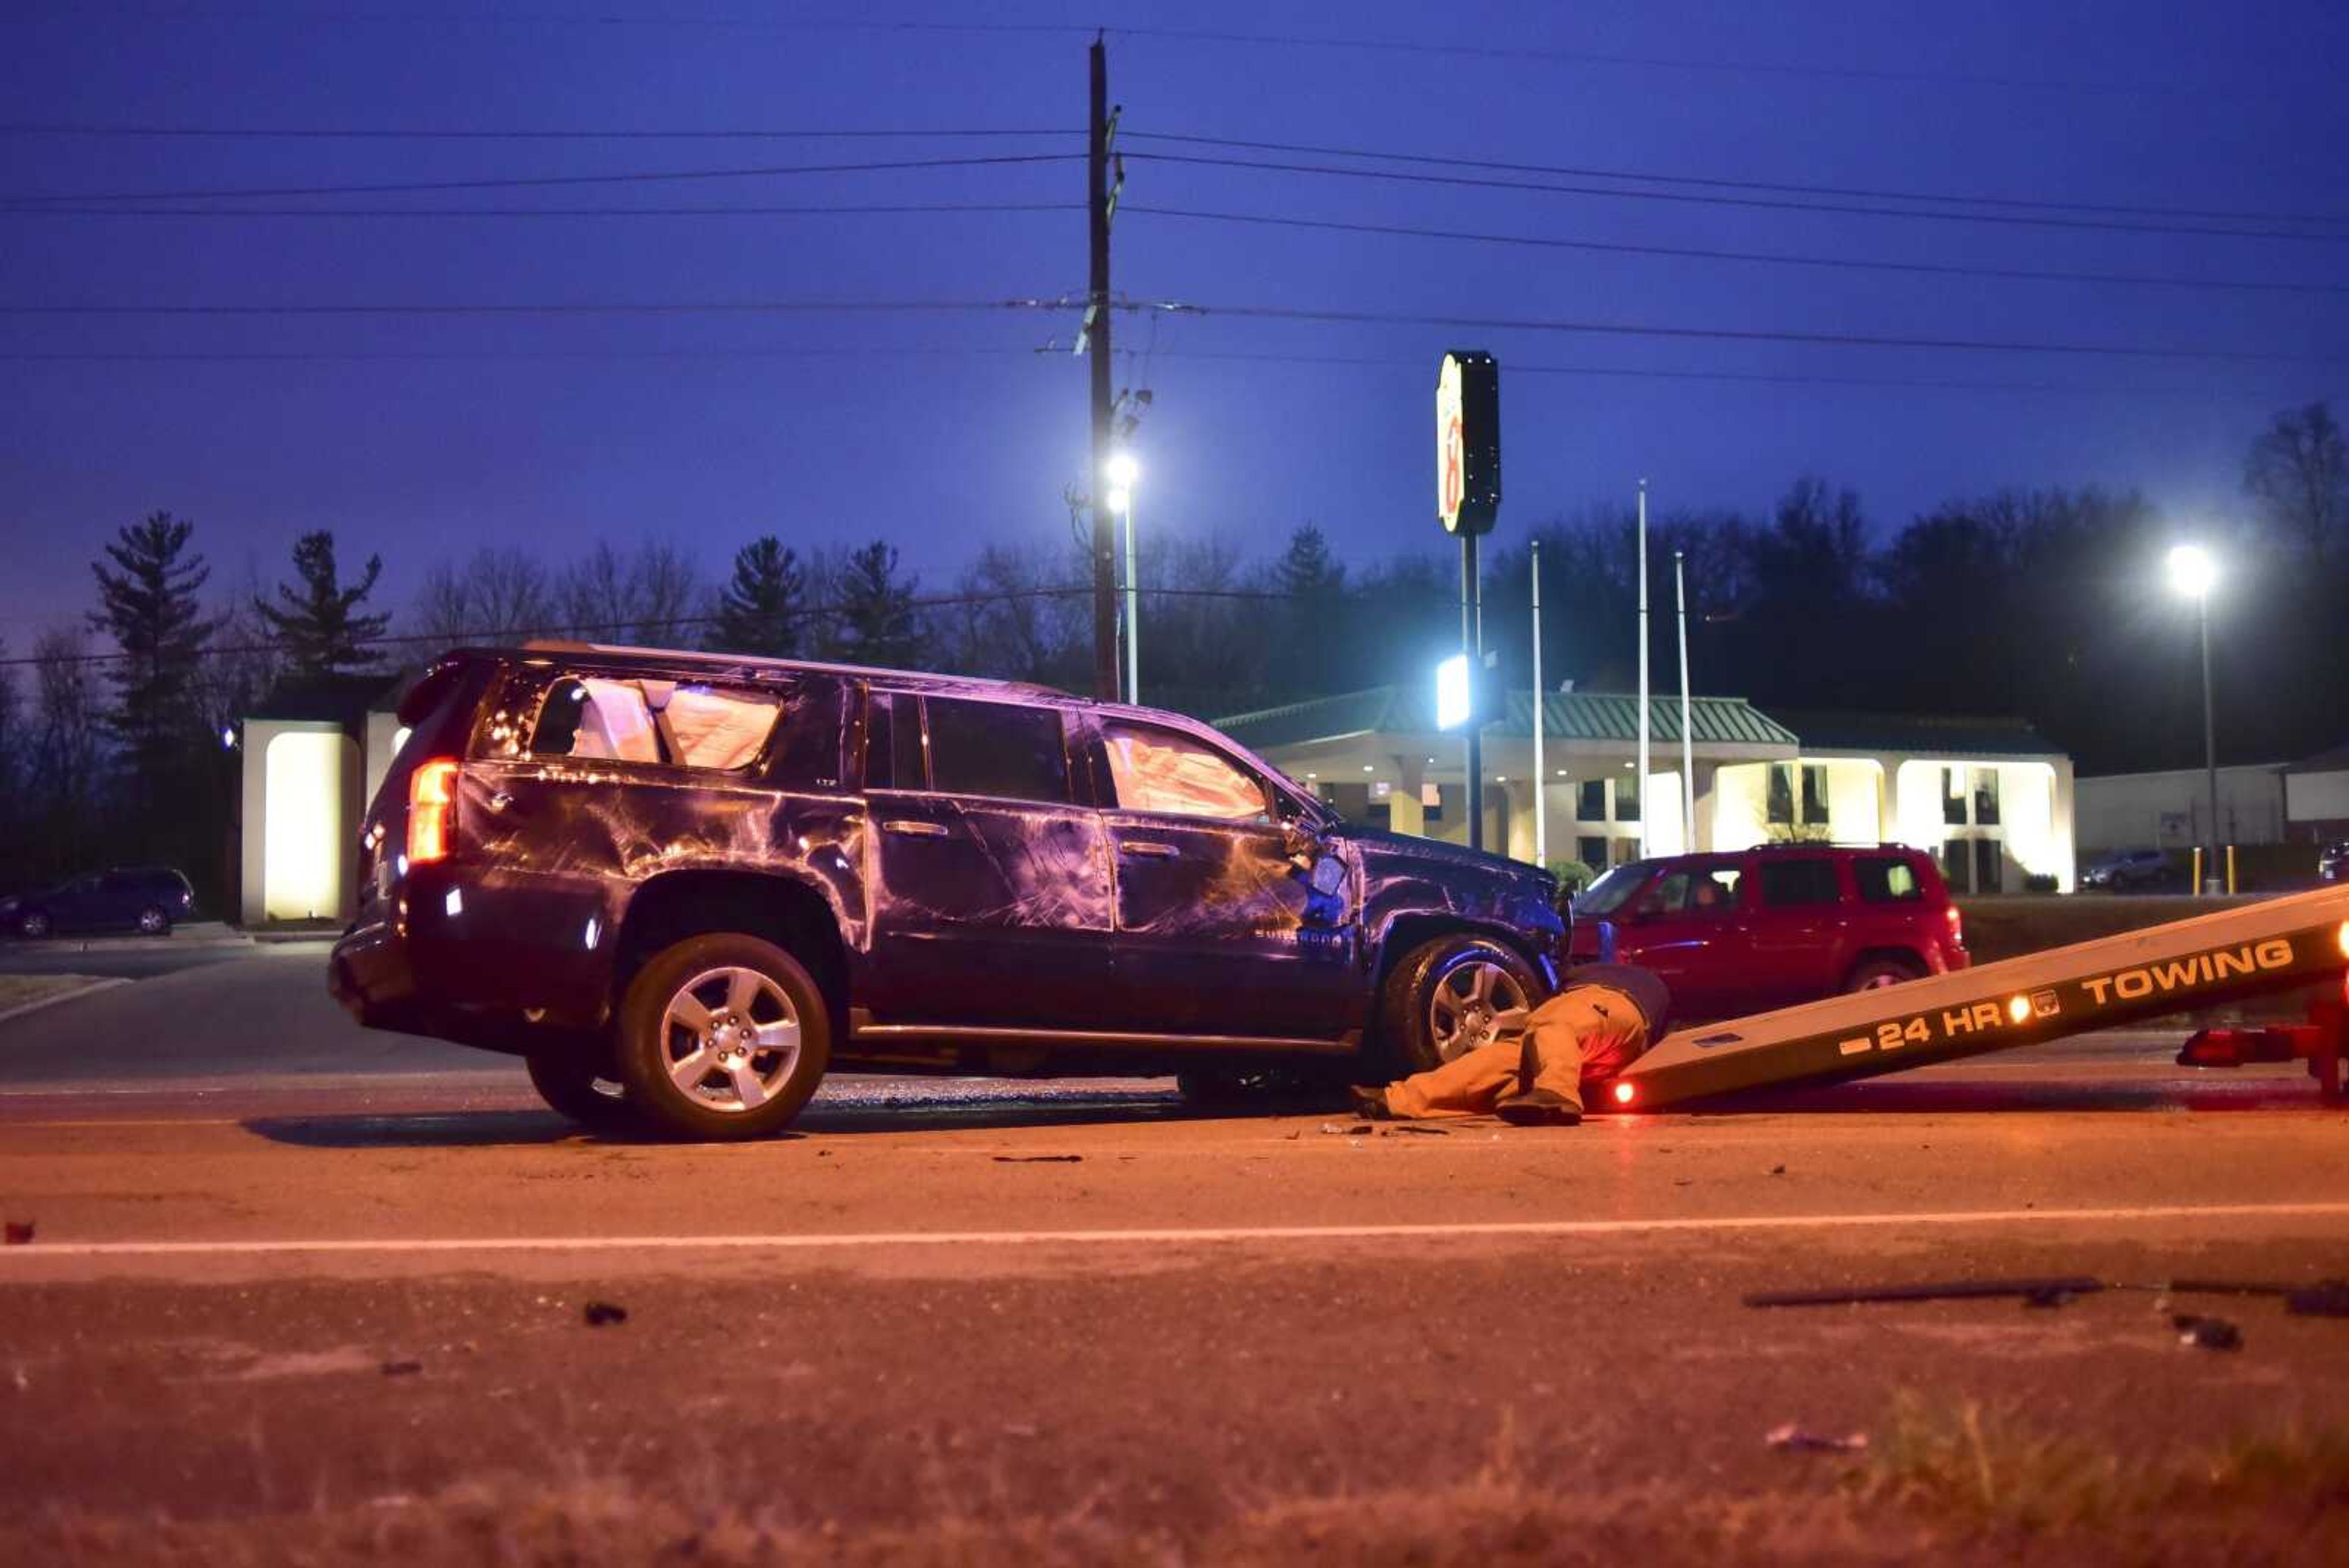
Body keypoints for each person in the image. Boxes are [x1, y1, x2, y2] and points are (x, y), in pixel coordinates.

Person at [1353, 963, 1670, 1126]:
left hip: (1607, 1004)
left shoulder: (1605, 978)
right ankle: (1399, 1100)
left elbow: (1556, 1017)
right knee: (1498, 1063)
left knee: (1550, 1023)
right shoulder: (1653, 991)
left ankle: (1557, 1094)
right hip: (1607, 1048)